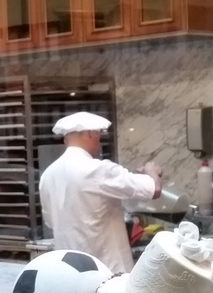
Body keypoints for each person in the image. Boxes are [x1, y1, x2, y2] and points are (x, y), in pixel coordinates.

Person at [38, 111, 163, 274]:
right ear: (91, 134)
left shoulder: (47, 175)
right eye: (99, 137)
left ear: (65, 139)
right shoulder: (98, 169)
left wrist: (136, 176)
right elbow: (154, 189)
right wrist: (151, 170)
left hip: (70, 274)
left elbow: (50, 222)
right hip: (107, 271)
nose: (99, 143)